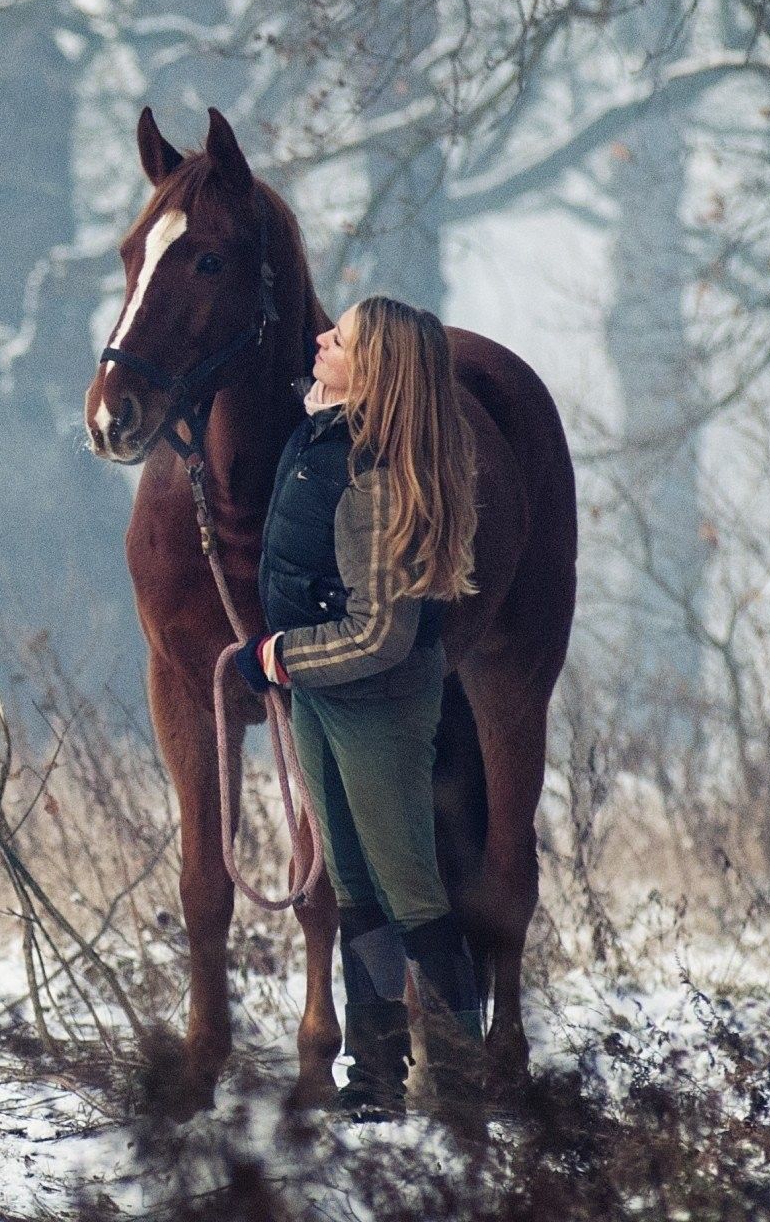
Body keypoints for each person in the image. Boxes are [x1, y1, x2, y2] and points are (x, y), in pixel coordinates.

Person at [229, 294, 482, 1121]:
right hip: (319, 698)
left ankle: (459, 1083)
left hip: (372, 702)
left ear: (371, 372)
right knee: (356, 889)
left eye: (338, 340)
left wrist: (279, 656)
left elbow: (380, 636)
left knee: (410, 891)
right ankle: (375, 1078)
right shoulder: (320, 439)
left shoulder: (372, 478)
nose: (320, 339)